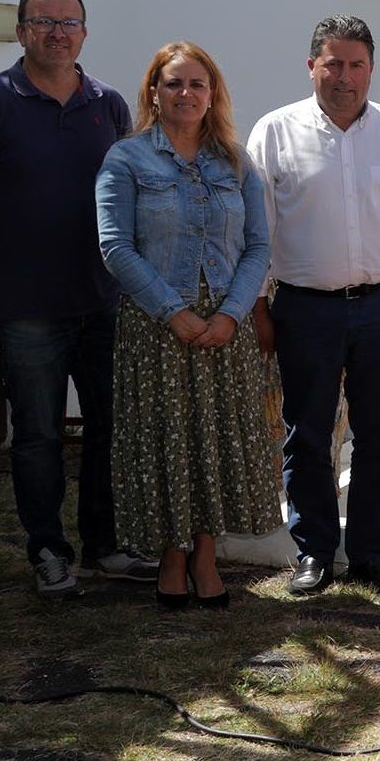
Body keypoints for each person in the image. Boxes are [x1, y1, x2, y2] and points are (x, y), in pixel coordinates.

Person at [0, 0, 158, 598]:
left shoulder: (108, 104)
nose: (57, 33)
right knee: (36, 433)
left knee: (113, 424)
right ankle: (49, 551)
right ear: (21, 31)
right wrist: (11, 238)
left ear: (84, 31)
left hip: (103, 296)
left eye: (68, 22)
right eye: (43, 23)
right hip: (25, 303)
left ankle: (106, 544)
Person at [246, 16, 380, 597]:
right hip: (305, 308)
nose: (345, 76)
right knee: (306, 433)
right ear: (311, 66)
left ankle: (369, 555)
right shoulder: (275, 133)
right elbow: (260, 231)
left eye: (356, 64)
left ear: (371, 69)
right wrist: (259, 308)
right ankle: (313, 553)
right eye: (333, 63)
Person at [95, 42, 276, 610]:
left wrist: (229, 314)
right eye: (174, 84)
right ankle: (170, 559)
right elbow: (115, 247)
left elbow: (259, 247)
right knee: (166, 439)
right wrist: (174, 313)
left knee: (216, 440)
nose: (186, 94)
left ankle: (204, 555)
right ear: (154, 92)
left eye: (198, 84)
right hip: (156, 326)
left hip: (227, 326)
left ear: (212, 93)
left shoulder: (237, 164)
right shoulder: (126, 161)